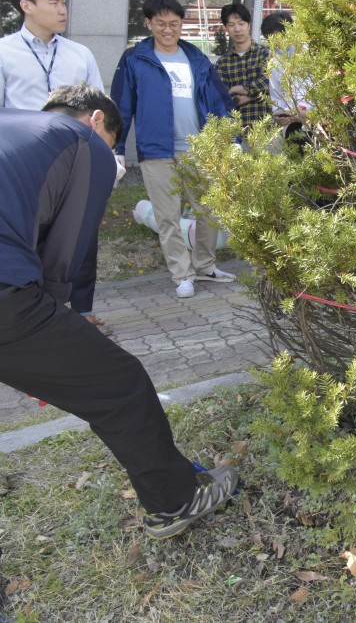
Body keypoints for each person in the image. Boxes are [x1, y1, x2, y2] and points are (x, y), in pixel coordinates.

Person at [0, 83, 238, 540]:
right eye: (113, 143)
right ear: (95, 120)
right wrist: (58, 330)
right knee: (120, 384)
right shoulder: (80, 141)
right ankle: (176, 502)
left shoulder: (14, 126)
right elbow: (67, 252)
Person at [0, 0, 107, 331]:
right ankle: (36, 311)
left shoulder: (80, 54)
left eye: (63, 2)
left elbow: (100, 108)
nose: (63, 10)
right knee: (29, 234)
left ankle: (81, 310)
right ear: (26, 5)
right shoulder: (4, 52)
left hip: (75, 159)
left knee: (81, 231)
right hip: (24, 163)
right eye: (54, 3)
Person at [110, 0, 237, 299]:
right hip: (157, 150)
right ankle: (182, 273)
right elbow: (122, 107)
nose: (168, 29)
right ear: (148, 23)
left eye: (174, 23)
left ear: (182, 24)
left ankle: (205, 265)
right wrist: (116, 148)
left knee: (210, 209)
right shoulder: (135, 59)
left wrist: (232, 140)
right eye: (160, 23)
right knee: (167, 215)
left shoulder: (197, 59)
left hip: (200, 147)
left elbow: (220, 101)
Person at [215, 2, 271, 129]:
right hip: (238, 132)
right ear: (226, 28)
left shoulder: (265, 54)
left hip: (268, 130)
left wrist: (238, 89)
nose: (237, 29)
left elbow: (270, 83)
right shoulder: (223, 63)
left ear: (248, 25)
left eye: (241, 24)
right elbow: (223, 97)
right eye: (231, 25)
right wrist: (256, 94)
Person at [261, 12, 312, 144]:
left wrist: (310, 114)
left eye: (282, 37)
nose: (280, 43)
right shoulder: (274, 64)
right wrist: (280, 117)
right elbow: (277, 98)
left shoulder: (311, 52)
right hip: (294, 127)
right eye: (273, 40)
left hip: (321, 125)